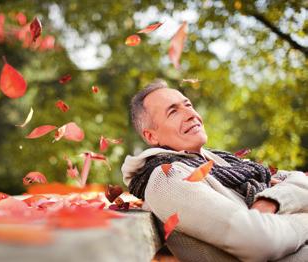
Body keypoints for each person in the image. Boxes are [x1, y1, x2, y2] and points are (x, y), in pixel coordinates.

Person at [121, 79, 308, 262]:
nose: (190, 114)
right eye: (173, 112)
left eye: (188, 105)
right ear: (152, 136)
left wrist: (271, 202)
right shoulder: (166, 177)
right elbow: (261, 242)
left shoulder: (224, 162)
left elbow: (300, 179)